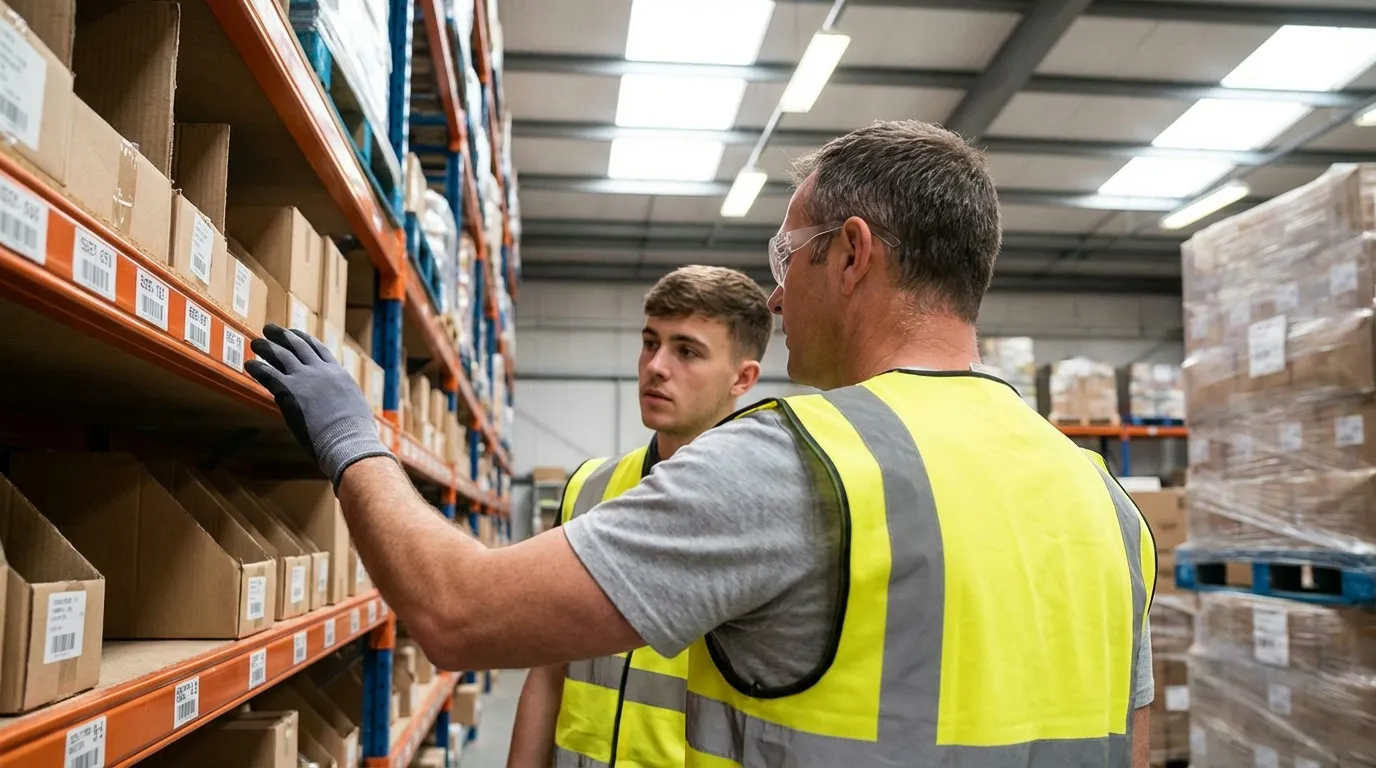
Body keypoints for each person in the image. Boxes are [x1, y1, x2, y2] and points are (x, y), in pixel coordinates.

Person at [246, 119, 1157, 768]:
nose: (774, 299)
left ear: (850, 254)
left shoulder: (809, 462)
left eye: (784, 258)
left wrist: (352, 440)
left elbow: (457, 613)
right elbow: (1133, 744)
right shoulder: (1104, 502)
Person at [506, 266, 772, 768]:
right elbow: (548, 671)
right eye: (650, 343)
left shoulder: (763, 512)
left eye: (686, 351)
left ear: (743, 378)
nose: (656, 366)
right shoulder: (589, 488)